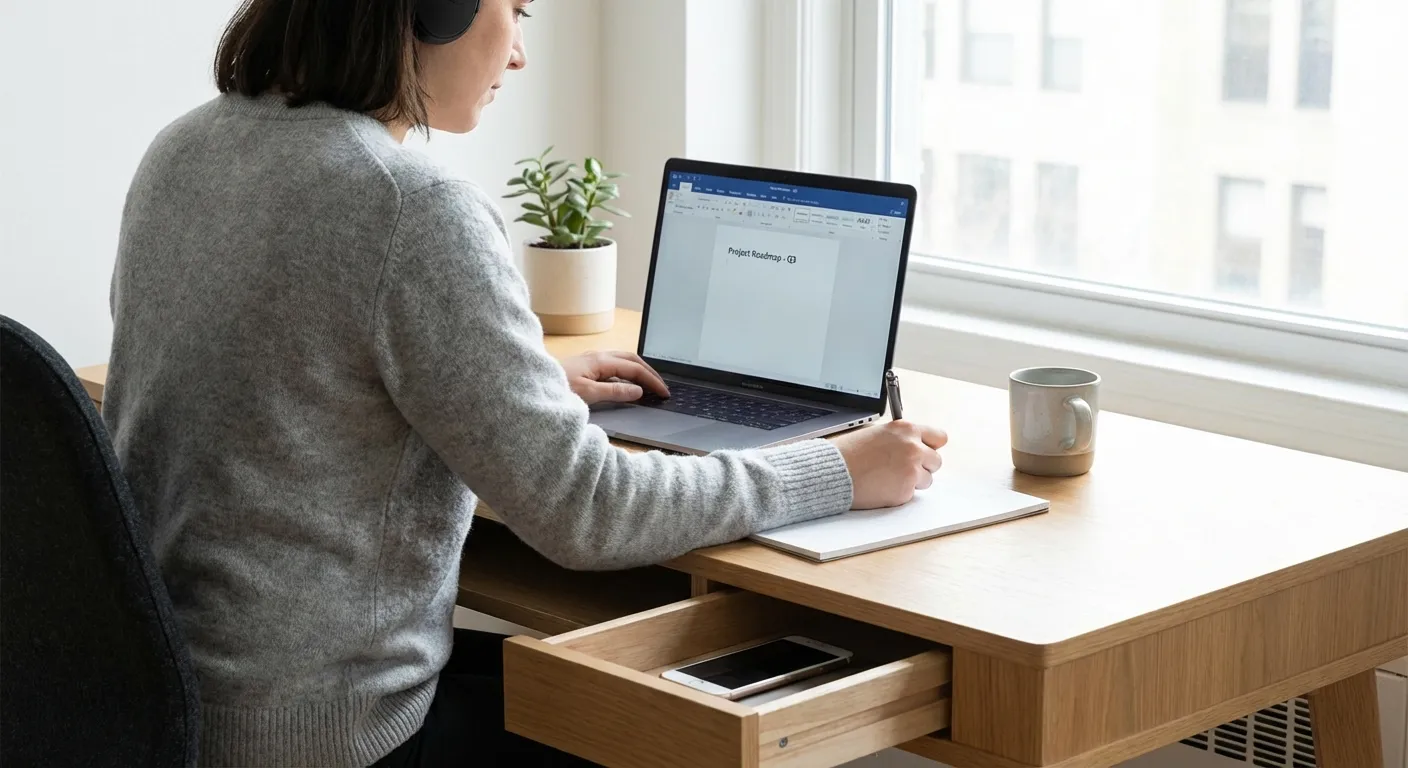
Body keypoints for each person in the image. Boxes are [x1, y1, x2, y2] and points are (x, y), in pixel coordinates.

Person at [103, 0, 949, 765]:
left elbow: (290, 375)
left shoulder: (184, 148)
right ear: (432, 12)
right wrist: (838, 471)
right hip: (328, 730)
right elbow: (589, 512)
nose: (519, 56)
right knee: (662, 742)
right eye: (516, 11)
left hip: (173, 702)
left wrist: (518, 381)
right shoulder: (409, 206)